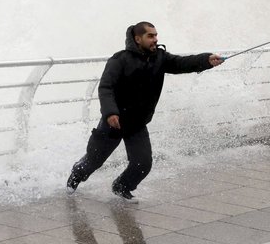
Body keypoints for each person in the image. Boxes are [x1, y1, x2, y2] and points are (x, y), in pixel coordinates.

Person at [66, 21, 224, 202]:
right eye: (150, 36)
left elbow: (182, 63)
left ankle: (121, 187)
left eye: (156, 35)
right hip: (113, 122)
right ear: (137, 38)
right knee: (93, 160)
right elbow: (106, 88)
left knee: (143, 164)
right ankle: (75, 176)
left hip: (137, 123)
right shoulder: (119, 60)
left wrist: (206, 60)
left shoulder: (160, 58)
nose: (155, 39)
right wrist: (110, 113)